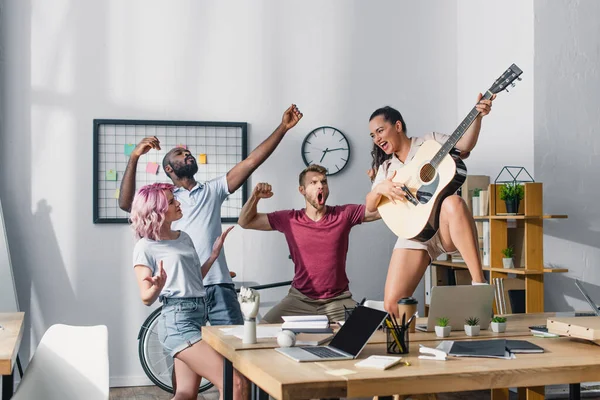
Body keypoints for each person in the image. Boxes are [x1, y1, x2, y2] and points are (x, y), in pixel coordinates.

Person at [119, 104, 303, 328]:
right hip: (183, 292)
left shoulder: (212, 190)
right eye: (179, 154)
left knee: (233, 351)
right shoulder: (163, 200)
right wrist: (135, 156)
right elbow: (126, 204)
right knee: (190, 350)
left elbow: (251, 162)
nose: (187, 154)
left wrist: (283, 127)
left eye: (188, 152)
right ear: (168, 169)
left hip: (218, 285)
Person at [365, 94, 495, 318]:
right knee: (392, 307)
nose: (376, 138)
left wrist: (478, 117)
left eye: (380, 130)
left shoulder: (430, 143)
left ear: (397, 126)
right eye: (372, 135)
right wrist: (379, 189)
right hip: (415, 234)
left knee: (454, 202)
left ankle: (479, 285)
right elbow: (369, 207)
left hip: (445, 226)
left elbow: (464, 144)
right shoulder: (386, 168)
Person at [131, 182, 236, 400]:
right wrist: (157, 287)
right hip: (177, 321)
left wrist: (213, 256)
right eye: (171, 202)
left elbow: (195, 277)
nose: (178, 203)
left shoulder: (183, 237)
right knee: (234, 382)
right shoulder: (145, 246)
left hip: (198, 315)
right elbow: (145, 297)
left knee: (186, 393)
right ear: (156, 211)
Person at [238, 164, 380, 323]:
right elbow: (245, 221)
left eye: (324, 182)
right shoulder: (289, 219)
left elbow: (379, 211)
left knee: (371, 332)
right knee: (262, 331)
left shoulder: (343, 214)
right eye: (313, 183)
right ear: (302, 190)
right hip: (299, 300)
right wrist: (255, 196)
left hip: (338, 301)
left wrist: (378, 184)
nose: (320, 185)